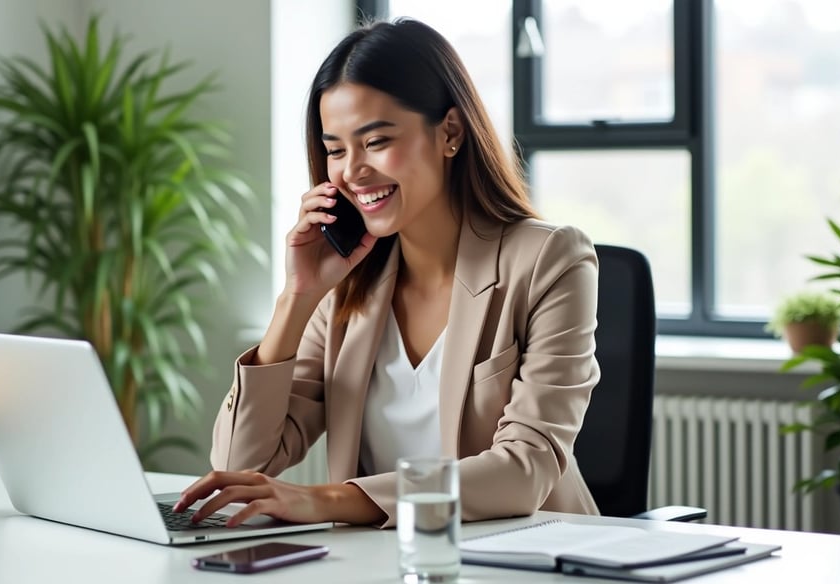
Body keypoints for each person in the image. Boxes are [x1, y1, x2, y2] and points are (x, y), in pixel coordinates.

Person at [173, 18, 600, 529]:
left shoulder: (550, 260)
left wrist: (326, 501)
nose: (351, 170)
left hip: (522, 557)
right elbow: (240, 466)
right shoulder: (344, 288)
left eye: (375, 142)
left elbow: (524, 470)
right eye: (335, 150)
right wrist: (298, 295)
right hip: (381, 563)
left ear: (450, 133)